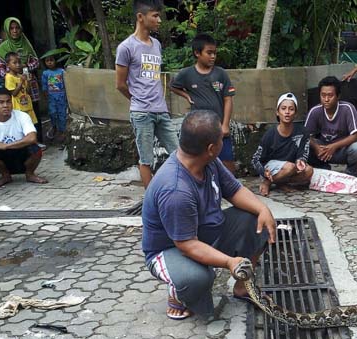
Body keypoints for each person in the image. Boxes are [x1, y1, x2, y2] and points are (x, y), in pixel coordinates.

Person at [141, 110, 276, 320]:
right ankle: (177, 294)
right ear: (211, 148)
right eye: (221, 138)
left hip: (204, 233)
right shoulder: (176, 189)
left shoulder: (209, 161)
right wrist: (229, 262)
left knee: (257, 221)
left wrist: (263, 209)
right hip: (171, 249)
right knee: (197, 279)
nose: (224, 139)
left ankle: (243, 287)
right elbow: (187, 245)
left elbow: (234, 190)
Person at [115, 0, 179, 189]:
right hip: (142, 112)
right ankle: (151, 200)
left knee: (179, 152)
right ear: (140, 17)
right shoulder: (126, 47)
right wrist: (137, 99)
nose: (159, 20)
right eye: (155, 15)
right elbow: (120, 84)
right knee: (146, 159)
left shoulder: (157, 44)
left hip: (161, 110)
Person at [170, 33, 236, 174]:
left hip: (218, 127)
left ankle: (228, 191)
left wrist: (225, 125)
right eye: (209, 53)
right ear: (197, 53)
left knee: (227, 163)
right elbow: (172, 86)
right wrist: (186, 95)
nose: (213, 56)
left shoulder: (221, 74)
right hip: (198, 128)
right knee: (198, 161)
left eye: (214, 53)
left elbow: (228, 99)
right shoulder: (187, 74)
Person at [0, 87, 48, 187]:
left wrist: (6, 146)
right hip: (2, 157)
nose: (5, 105)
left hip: (21, 153)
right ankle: (5, 175)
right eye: (1, 102)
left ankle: (30, 174)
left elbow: (32, 137)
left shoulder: (22, 116)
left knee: (36, 149)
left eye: (8, 102)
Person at [251, 93, 313, 197]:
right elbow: (255, 159)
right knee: (289, 167)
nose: (287, 112)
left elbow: (303, 154)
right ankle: (267, 182)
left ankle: (280, 183)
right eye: (283, 108)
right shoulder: (270, 134)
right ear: (277, 112)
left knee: (308, 171)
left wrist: (300, 161)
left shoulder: (303, 132)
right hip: (271, 169)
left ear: (295, 113)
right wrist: (263, 172)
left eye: (291, 109)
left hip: (291, 167)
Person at [304, 76, 357, 176]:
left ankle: (351, 170)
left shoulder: (347, 108)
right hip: (322, 150)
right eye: (323, 95)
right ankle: (322, 167)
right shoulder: (315, 111)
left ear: (338, 96)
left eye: (330, 95)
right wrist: (316, 147)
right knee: (303, 144)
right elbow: (305, 134)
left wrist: (334, 146)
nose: (326, 99)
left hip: (342, 150)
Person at [4, 52, 43, 148]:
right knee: (21, 127)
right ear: (8, 65)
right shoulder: (9, 77)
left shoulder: (21, 76)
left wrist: (27, 81)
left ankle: (34, 144)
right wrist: (21, 82)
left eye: (19, 62)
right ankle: (24, 145)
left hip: (27, 105)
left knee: (31, 126)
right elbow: (13, 93)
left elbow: (28, 91)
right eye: (14, 63)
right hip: (19, 108)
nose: (18, 65)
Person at [41, 54, 68, 147]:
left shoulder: (61, 71)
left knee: (62, 114)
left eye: (51, 60)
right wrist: (46, 97)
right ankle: (54, 127)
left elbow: (66, 83)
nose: (49, 62)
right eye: (47, 61)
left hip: (61, 96)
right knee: (52, 113)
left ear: (55, 61)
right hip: (51, 97)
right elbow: (44, 87)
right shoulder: (45, 73)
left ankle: (62, 132)